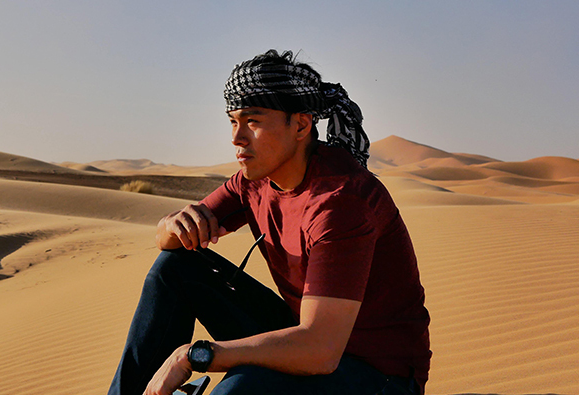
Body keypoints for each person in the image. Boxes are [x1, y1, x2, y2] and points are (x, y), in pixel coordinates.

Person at [107, 50, 431, 395]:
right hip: (303, 335)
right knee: (174, 267)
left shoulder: (339, 202)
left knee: (244, 387)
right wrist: (173, 225)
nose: (236, 138)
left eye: (253, 121)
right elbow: (167, 243)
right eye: (233, 121)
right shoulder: (254, 181)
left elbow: (320, 352)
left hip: (377, 375)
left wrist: (193, 356)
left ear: (301, 125)